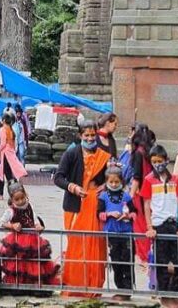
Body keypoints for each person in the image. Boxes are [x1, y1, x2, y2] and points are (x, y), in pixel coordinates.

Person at [54, 119, 110, 298]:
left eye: (93, 135)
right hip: (75, 207)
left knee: (96, 246)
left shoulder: (104, 155)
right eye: (87, 135)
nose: (90, 138)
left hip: (94, 206)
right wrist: (74, 187)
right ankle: (75, 285)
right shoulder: (71, 154)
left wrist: (105, 186)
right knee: (77, 247)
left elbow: (111, 180)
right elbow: (58, 177)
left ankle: (93, 288)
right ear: (80, 136)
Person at [142, 144, 178, 308]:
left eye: (160, 161)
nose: (157, 164)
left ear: (166, 160)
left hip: (173, 224)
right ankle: (165, 297)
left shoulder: (174, 179)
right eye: (154, 161)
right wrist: (149, 227)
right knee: (161, 263)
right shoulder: (148, 180)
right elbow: (146, 205)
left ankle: (175, 294)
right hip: (158, 225)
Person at [0, 182, 61, 290]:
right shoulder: (11, 211)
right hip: (18, 240)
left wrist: (38, 225)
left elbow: (35, 219)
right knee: (19, 262)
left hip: (32, 239)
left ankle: (34, 282)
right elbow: (2, 222)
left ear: (25, 195)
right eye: (17, 200)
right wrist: (12, 225)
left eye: (22, 198)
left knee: (34, 261)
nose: (21, 201)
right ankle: (19, 283)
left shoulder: (30, 206)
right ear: (12, 200)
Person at [98, 165, 135, 300]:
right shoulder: (103, 197)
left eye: (116, 182)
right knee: (116, 262)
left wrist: (128, 216)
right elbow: (99, 214)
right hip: (112, 233)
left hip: (126, 233)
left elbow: (135, 213)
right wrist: (109, 214)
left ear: (122, 182)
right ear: (107, 182)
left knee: (127, 261)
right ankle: (120, 288)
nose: (114, 184)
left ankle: (127, 289)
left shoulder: (127, 196)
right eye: (111, 182)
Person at [129, 123, 157, 263]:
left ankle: (145, 256)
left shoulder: (138, 153)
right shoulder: (150, 151)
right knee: (150, 223)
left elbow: (136, 177)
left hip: (141, 193)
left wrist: (128, 198)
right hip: (153, 191)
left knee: (141, 226)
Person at [0, 113, 28, 198]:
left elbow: (3, 143)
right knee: (5, 174)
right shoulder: (11, 129)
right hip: (10, 152)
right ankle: (3, 193)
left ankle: (12, 192)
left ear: (3, 120)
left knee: (6, 175)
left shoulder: (3, 129)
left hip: (5, 153)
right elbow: (14, 143)